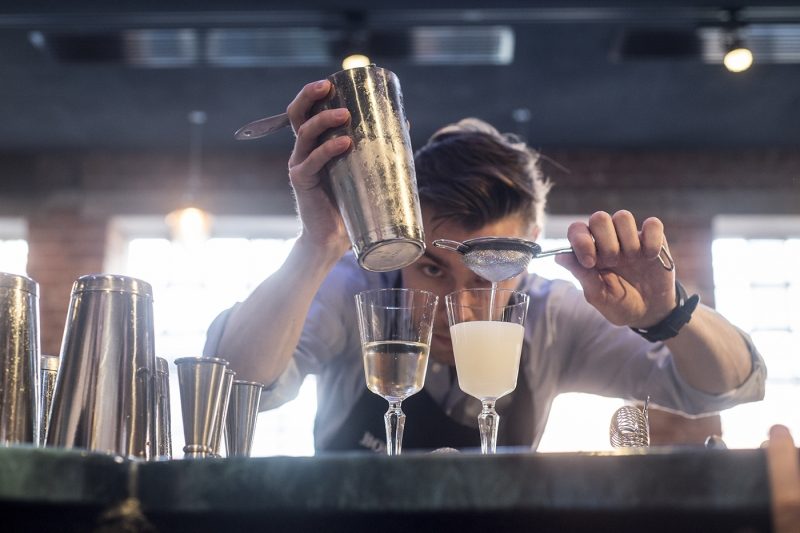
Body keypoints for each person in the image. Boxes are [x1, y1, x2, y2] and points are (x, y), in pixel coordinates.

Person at [205, 79, 765, 452]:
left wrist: (668, 313)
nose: (455, 307)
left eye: (491, 273)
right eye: (430, 269)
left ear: (529, 252)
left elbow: (728, 388)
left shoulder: (551, 313)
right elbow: (236, 390)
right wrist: (316, 246)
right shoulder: (355, 288)